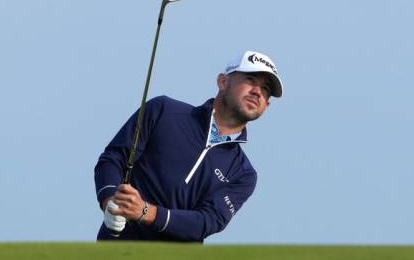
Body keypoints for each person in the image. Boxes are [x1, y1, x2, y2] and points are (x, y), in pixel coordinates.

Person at [94, 50, 283, 242]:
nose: (257, 92)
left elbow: (207, 222)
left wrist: (146, 212)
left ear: (266, 105)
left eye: (266, 89)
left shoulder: (243, 174)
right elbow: (114, 158)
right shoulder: (163, 111)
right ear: (223, 82)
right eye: (250, 79)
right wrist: (110, 201)